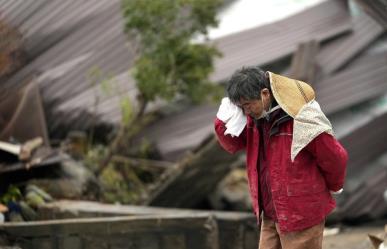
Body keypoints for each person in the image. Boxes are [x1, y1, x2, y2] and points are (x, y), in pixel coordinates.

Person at [214, 66, 348, 249]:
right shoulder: (256, 119)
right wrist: (222, 121)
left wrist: (334, 186)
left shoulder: (302, 117)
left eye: (247, 105)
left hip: (301, 213)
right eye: (240, 107)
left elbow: (335, 157)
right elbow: (233, 143)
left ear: (265, 93)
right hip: (270, 213)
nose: (245, 112)